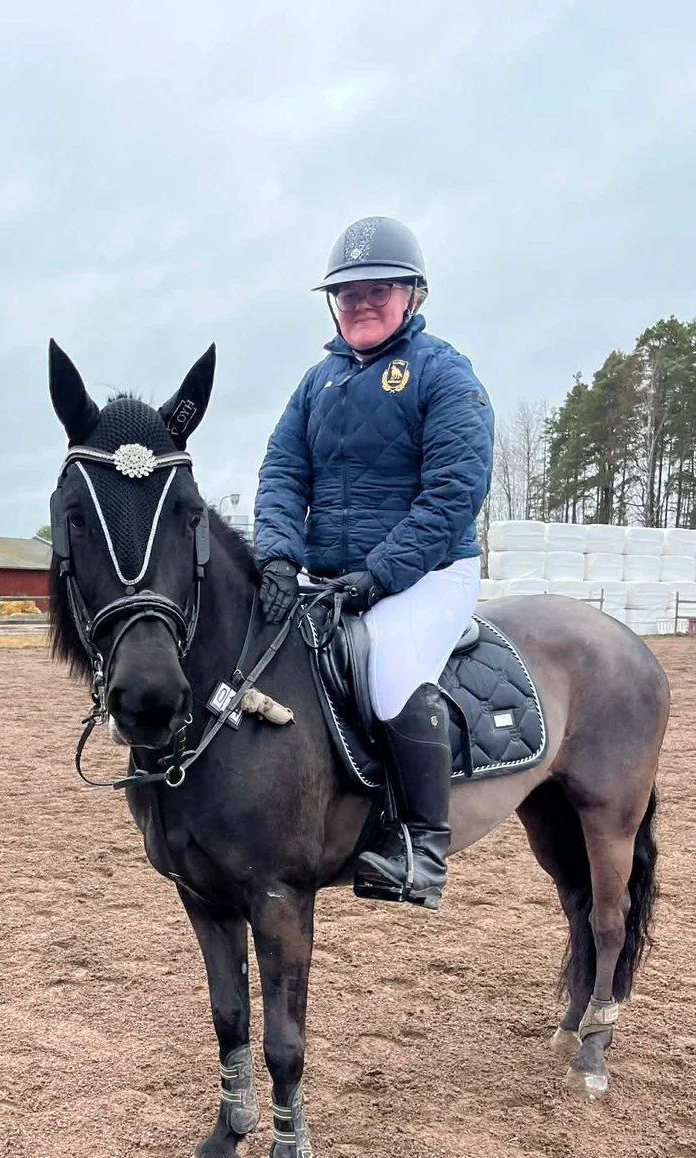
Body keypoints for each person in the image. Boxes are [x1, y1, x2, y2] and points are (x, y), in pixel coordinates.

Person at [253, 216, 494, 908]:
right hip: (329, 575)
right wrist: (278, 558)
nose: (360, 303)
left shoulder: (444, 373)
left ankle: (422, 845)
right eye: (347, 293)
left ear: (412, 294)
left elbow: (454, 490)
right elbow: (282, 474)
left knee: (389, 675)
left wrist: (382, 573)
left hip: (427, 573)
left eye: (376, 290)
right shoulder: (316, 383)